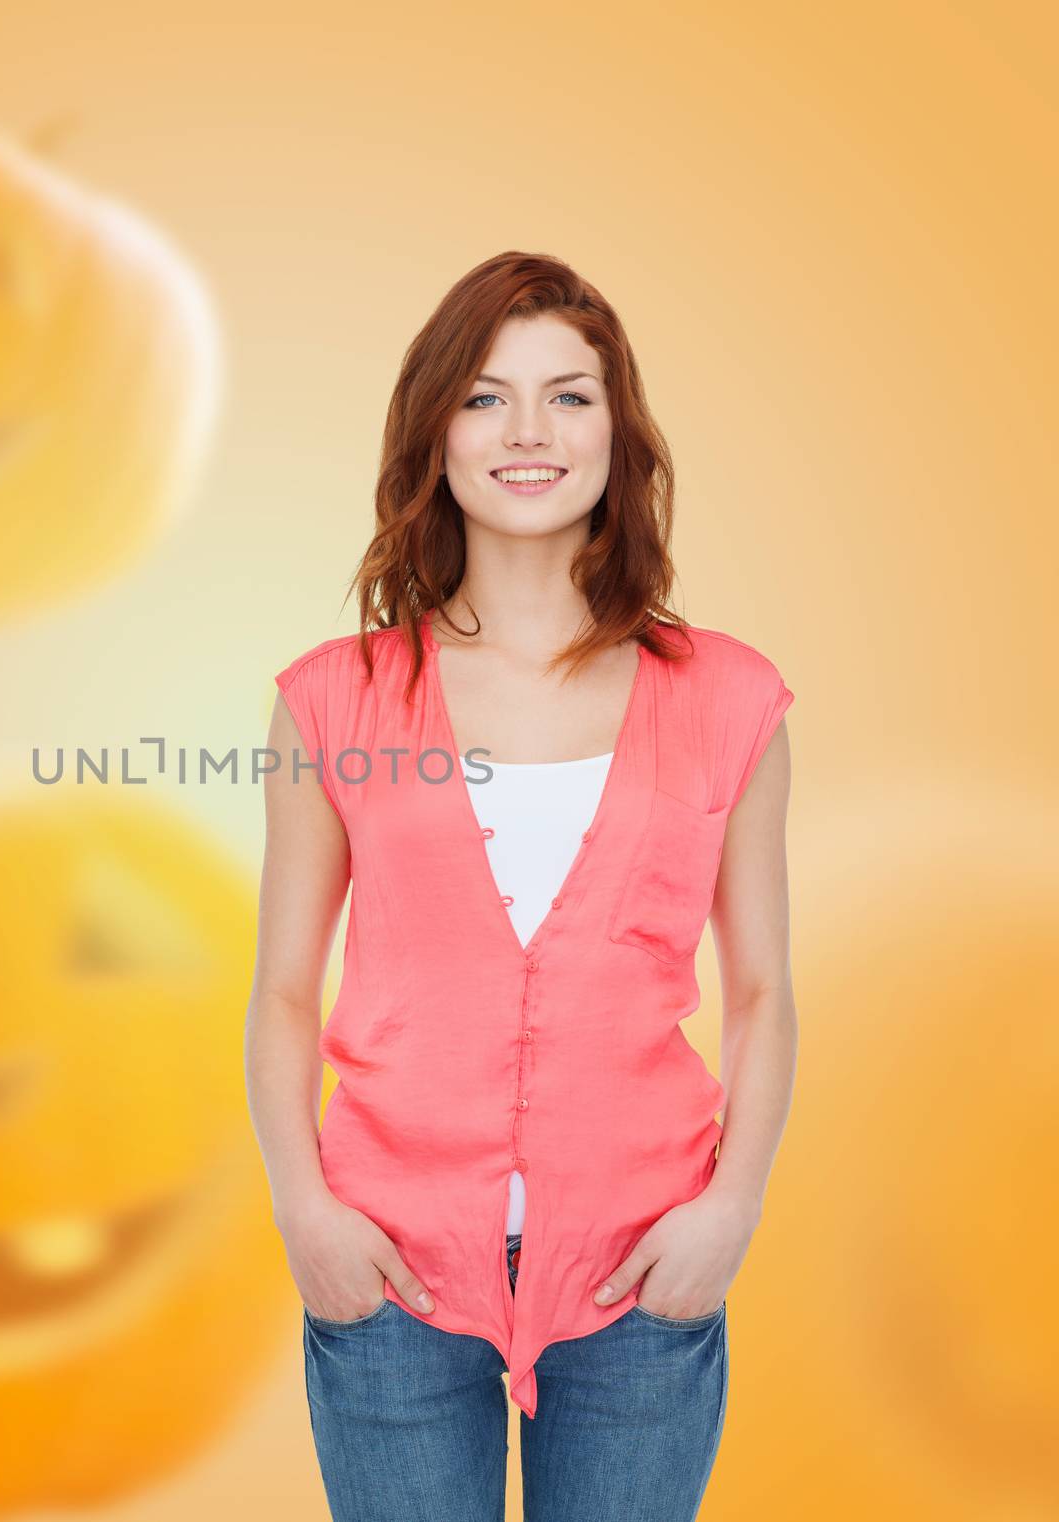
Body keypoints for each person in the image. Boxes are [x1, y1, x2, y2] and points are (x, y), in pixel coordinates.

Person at [246, 251, 797, 1522]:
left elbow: (763, 989)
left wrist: (729, 1210)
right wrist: (306, 1216)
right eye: (486, 398)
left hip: (641, 1266)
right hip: (387, 1270)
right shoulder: (331, 697)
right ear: (434, 432)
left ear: (620, 431)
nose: (529, 432)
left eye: (570, 395)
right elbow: (282, 988)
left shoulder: (730, 697)